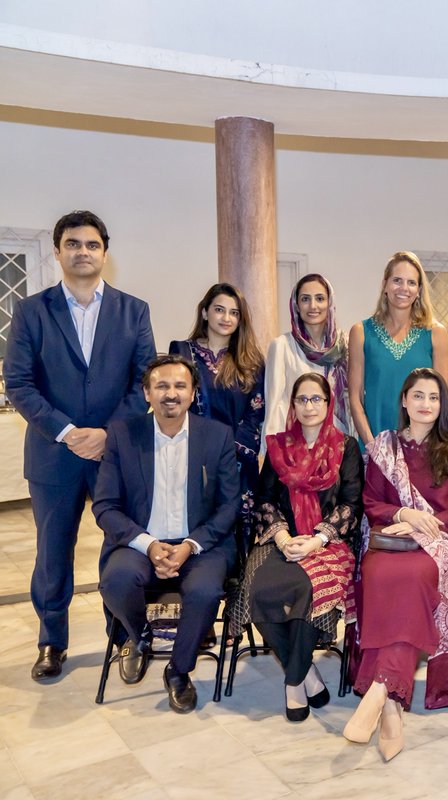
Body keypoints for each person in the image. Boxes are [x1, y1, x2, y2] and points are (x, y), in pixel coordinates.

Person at [4, 210, 156, 681]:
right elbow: (19, 383)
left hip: (117, 453)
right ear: (57, 251)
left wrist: (108, 435)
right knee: (53, 552)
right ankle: (52, 642)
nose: (82, 252)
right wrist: (70, 432)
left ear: (104, 253)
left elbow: (144, 381)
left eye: (91, 245)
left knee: (123, 546)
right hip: (54, 455)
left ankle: (128, 635)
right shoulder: (32, 310)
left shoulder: (134, 310)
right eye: (73, 244)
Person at [346, 368, 448, 761]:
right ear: (404, 401)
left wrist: (430, 523)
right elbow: (371, 503)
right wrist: (406, 514)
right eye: (418, 396)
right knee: (379, 575)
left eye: (434, 397)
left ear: (442, 405)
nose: (426, 404)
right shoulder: (384, 447)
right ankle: (390, 706)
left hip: (440, 545)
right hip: (391, 542)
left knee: (414, 582)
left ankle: (380, 691)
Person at [92, 355, 240, 713]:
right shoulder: (122, 436)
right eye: (161, 386)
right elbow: (105, 506)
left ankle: (179, 669)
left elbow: (228, 506)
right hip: (140, 541)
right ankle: (138, 634)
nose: (170, 394)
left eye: (179, 386)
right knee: (116, 581)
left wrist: (190, 546)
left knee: (205, 591)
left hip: (201, 543)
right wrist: (148, 544)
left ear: (192, 393)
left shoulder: (216, 435)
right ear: (147, 393)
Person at [230, 372, 362, 722]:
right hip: (282, 539)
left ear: (329, 402)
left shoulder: (346, 447)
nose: (309, 406)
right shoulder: (277, 447)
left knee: (306, 588)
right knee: (257, 588)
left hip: (328, 541)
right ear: (293, 405)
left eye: (316, 399)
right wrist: (284, 537)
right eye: (301, 399)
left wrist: (317, 538)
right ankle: (306, 673)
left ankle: (292, 682)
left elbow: (351, 504)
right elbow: (265, 500)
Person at [169, 282, 266, 537]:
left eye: (234, 313)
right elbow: (176, 405)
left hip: (238, 460)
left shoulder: (252, 361)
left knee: (237, 526)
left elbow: (255, 412)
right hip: (192, 454)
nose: (226, 318)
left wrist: (229, 451)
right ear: (205, 312)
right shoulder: (181, 352)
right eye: (219, 310)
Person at [348, 251, 448, 447]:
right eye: (397, 280)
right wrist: (372, 447)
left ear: (419, 289)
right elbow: (355, 397)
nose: (404, 288)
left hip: (422, 449)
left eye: (411, 282)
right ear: (384, 284)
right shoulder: (361, 332)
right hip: (374, 446)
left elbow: (441, 401)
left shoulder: (436, 334)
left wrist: (424, 448)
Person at [264, 273, 350, 438]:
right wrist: (272, 449)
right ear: (296, 305)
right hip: (297, 444)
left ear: (330, 303)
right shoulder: (282, 346)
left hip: (337, 441)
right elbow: (275, 406)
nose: (313, 306)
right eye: (305, 299)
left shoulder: (343, 345)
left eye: (319, 298)